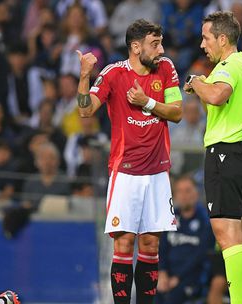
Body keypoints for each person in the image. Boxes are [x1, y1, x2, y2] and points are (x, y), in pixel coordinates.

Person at [76, 19, 183, 304]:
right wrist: (85, 76)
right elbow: (86, 112)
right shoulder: (113, 74)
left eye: (160, 43)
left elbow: (177, 112)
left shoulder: (166, 68)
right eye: (154, 44)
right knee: (123, 244)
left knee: (150, 244)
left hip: (158, 172)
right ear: (136, 47)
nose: (160, 49)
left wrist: (146, 102)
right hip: (125, 173)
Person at [184, 11, 242, 304]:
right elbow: (217, 102)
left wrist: (196, 80)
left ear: (222, 39)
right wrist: (204, 84)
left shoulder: (229, 65)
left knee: (226, 234)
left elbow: (218, 96)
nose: (203, 45)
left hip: (225, 153)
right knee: (241, 234)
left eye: (206, 38)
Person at [157, 176, 215, 303]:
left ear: (196, 193)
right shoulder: (170, 218)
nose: (183, 195)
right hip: (168, 276)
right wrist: (162, 273)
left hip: (193, 277)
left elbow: (201, 255)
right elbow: (162, 249)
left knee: (172, 297)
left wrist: (178, 277)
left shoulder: (206, 220)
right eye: (179, 191)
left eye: (188, 190)